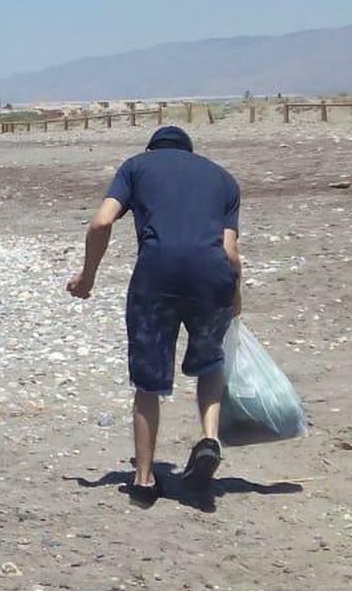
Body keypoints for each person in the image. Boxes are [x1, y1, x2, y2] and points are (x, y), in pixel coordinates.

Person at [68, 125, 242, 502]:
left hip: (156, 275)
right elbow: (230, 252)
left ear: (152, 150)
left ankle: (144, 479)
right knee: (211, 362)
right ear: (190, 152)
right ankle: (209, 439)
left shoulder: (135, 167)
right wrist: (236, 295)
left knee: (148, 380)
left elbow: (101, 222)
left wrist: (87, 277)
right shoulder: (222, 179)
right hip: (212, 277)